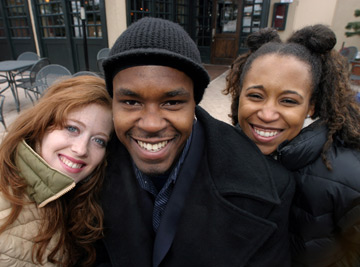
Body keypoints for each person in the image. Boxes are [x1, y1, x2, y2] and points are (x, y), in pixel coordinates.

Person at [95, 17, 295, 266]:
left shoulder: (270, 188)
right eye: (131, 102)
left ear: (194, 105)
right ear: (112, 103)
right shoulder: (87, 168)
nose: (151, 124)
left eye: (172, 102)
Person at [223, 25, 360, 266]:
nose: (267, 114)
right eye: (255, 95)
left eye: (288, 101)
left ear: (311, 106)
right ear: (239, 95)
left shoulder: (349, 179)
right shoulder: (219, 153)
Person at [0, 76, 113, 266]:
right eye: (72, 128)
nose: (81, 149)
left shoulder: (94, 186)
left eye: (99, 140)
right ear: (42, 124)